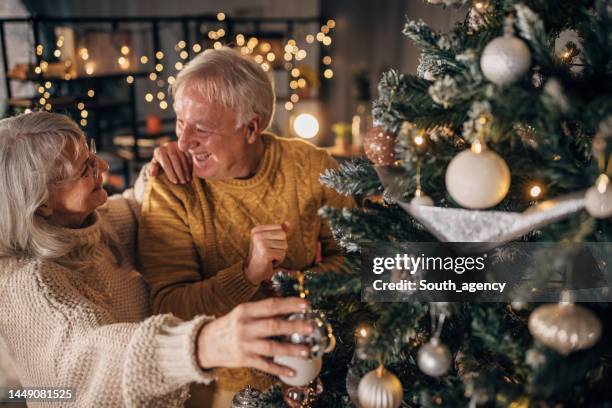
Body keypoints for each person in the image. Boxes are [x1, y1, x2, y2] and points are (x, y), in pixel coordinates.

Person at [0, 111, 314, 407]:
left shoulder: (92, 224)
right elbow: (92, 359)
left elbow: (139, 207)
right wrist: (201, 344)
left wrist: (162, 169)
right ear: (42, 204)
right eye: (86, 169)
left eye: (92, 154)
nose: (104, 169)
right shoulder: (28, 285)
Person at [138, 47, 355, 407]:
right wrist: (247, 274)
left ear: (251, 127)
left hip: (323, 371)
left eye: (202, 128)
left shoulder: (311, 166)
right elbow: (168, 309)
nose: (183, 142)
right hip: (222, 389)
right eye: (180, 122)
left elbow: (358, 259)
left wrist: (295, 286)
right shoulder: (171, 186)